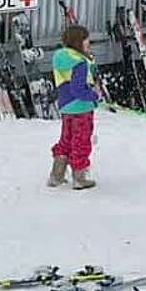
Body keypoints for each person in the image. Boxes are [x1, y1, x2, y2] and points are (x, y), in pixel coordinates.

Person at [48, 24, 100, 191]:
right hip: (81, 108)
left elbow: (68, 86)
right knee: (81, 140)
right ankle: (79, 177)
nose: (88, 43)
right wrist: (93, 96)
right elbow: (78, 89)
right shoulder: (79, 62)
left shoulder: (61, 58)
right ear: (78, 41)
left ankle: (56, 175)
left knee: (67, 139)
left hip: (66, 106)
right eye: (86, 39)